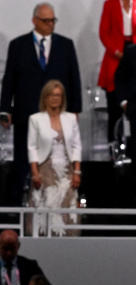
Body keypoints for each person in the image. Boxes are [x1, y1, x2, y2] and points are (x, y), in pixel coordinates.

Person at [0, 3, 83, 205]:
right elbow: (9, 78)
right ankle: (22, 202)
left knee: (57, 157)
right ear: (34, 20)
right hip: (25, 112)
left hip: (57, 114)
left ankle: (58, 202)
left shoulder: (66, 44)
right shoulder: (18, 45)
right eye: (46, 20)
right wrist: (5, 109)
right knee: (23, 157)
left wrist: (75, 109)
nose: (50, 24)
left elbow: (74, 78)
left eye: (53, 20)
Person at [27, 79, 83, 235]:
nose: (55, 98)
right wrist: (35, 173)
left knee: (68, 205)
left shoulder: (71, 118)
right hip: (44, 170)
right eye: (51, 95)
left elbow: (77, 146)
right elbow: (32, 148)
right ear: (45, 98)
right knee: (46, 206)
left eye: (58, 95)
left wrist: (77, 172)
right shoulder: (35, 119)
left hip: (67, 171)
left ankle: (69, 245)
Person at [97, 0, 136, 141]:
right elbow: (103, 33)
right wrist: (117, 52)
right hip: (115, 58)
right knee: (114, 112)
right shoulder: (110, 5)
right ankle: (114, 151)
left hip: (134, 55)